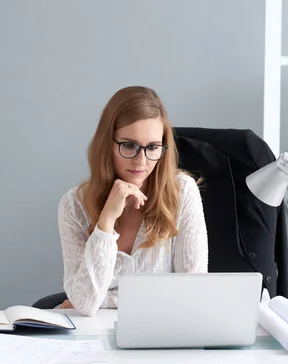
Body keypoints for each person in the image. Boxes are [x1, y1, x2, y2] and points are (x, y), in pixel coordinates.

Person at [57, 86, 208, 316]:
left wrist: (109, 300)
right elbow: (86, 305)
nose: (141, 160)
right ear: (107, 143)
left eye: (153, 147)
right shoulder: (73, 206)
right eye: (129, 145)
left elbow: (193, 294)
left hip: (163, 333)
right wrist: (106, 221)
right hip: (95, 339)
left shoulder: (182, 193)